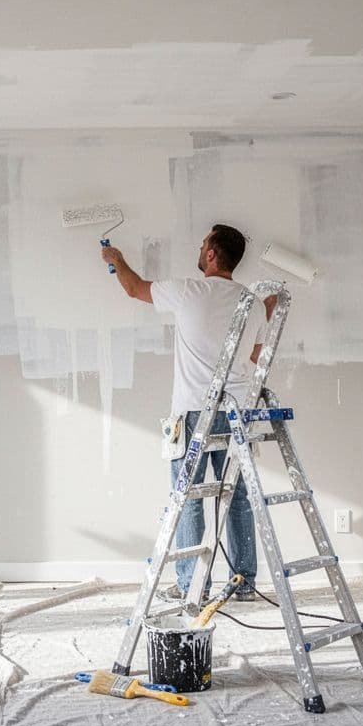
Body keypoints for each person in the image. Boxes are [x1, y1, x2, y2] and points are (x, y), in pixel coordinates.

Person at [101, 224, 264, 603]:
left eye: (204, 243)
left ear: (212, 254)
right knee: (237, 496)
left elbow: (134, 288)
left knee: (189, 497)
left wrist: (116, 259)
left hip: (194, 413)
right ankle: (245, 582)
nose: (200, 247)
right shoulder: (253, 303)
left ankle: (193, 586)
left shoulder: (190, 291)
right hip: (237, 414)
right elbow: (253, 358)